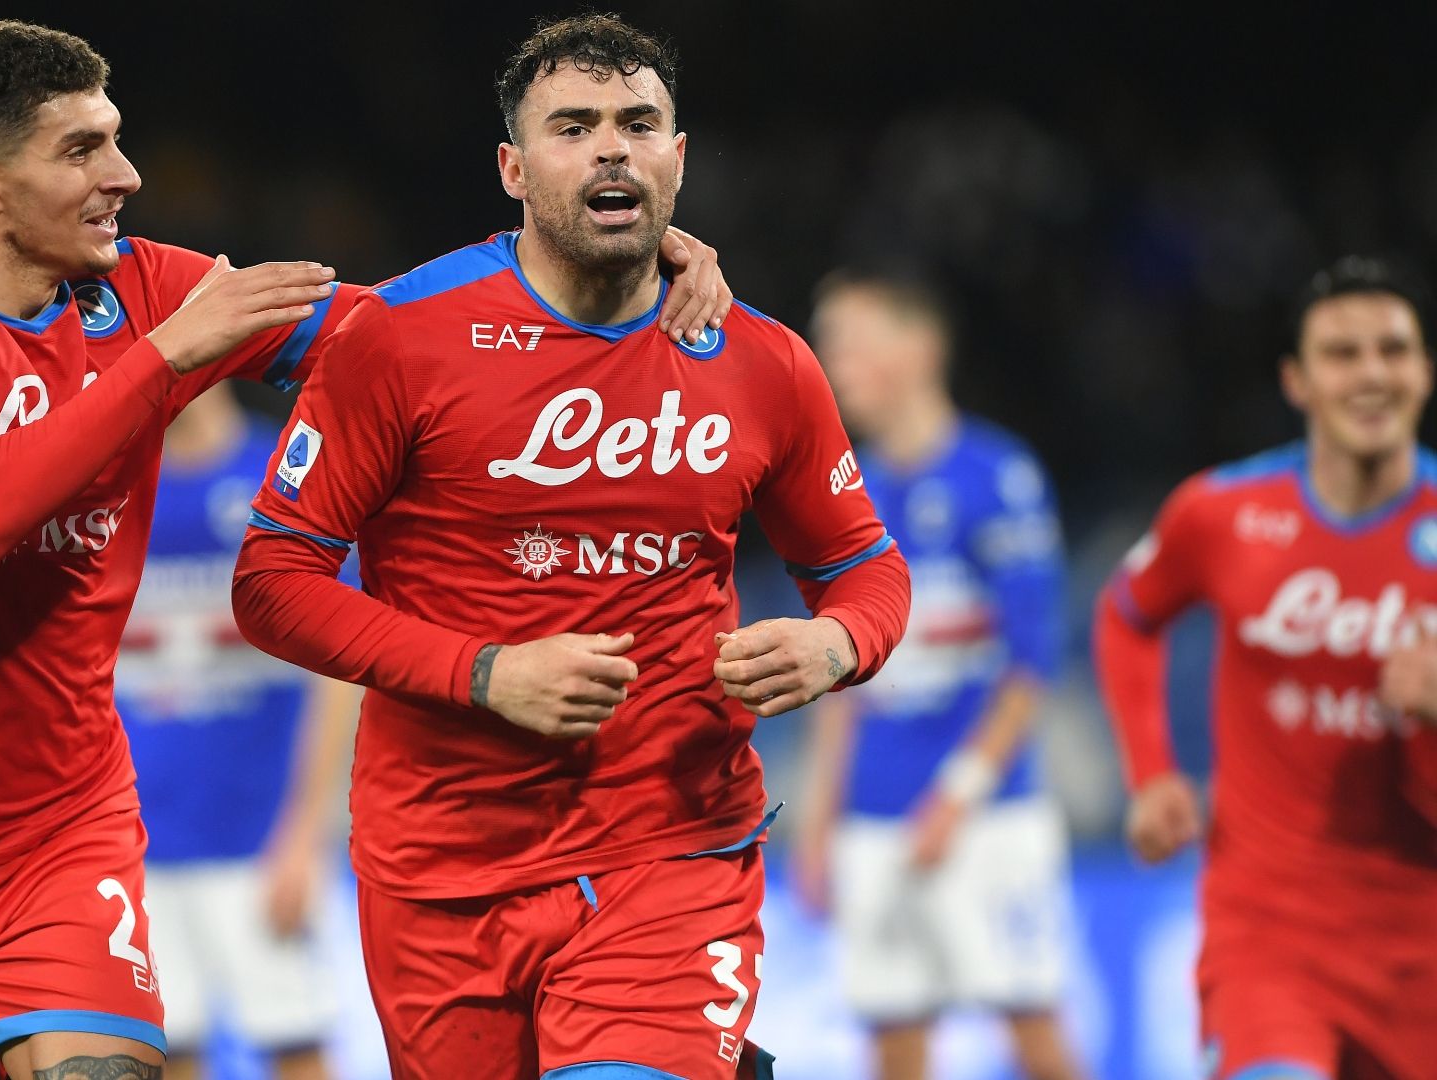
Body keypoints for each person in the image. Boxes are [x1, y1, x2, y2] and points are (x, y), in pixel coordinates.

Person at [0, 20, 732, 1080]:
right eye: (83, 150)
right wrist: (167, 357)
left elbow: (406, 341)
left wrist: (607, 277)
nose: (126, 176)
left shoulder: (139, 289)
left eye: (118, 139)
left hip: (61, 819)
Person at [231, 15, 911, 1079]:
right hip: (442, 871)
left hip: (674, 852)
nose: (612, 148)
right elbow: (272, 582)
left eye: (640, 124)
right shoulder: (401, 336)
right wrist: (485, 672)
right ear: (512, 166)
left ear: (678, 157)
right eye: (574, 125)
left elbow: (865, 567)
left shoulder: (765, 362)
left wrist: (837, 647)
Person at [1093, 255, 1437, 1080]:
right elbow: (1126, 614)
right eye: (1342, 354)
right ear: (1297, 379)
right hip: (1270, 935)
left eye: (1393, 350)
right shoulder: (1225, 514)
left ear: (1425, 370)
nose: (1371, 375)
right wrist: (1151, 775)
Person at [794, 270, 1082, 1080]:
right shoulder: (839, 488)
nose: (834, 363)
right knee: (893, 1048)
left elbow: (1032, 663)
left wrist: (957, 795)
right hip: (873, 817)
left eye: (850, 341)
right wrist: (819, 820)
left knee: (1035, 1038)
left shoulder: (999, 477)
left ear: (919, 347)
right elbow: (834, 670)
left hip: (987, 819)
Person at [117, 381, 360, 1080]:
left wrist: (304, 835)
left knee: (296, 1041)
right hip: (134, 839)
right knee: (160, 1052)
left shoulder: (280, 477)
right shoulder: (109, 487)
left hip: (258, 836)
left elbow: (341, 664)